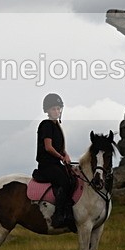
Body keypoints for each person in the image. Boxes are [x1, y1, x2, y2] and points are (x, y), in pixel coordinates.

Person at [32, 93, 75, 229]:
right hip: (47, 165)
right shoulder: (46, 125)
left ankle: (70, 212)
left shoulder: (57, 126)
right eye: (53, 109)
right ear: (47, 110)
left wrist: (66, 155)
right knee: (64, 181)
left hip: (56, 163)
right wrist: (61, 157)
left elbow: (60, 148)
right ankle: (58, 216)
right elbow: (48, 147)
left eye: (58, 108)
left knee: (73, 178)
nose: (56, 111)